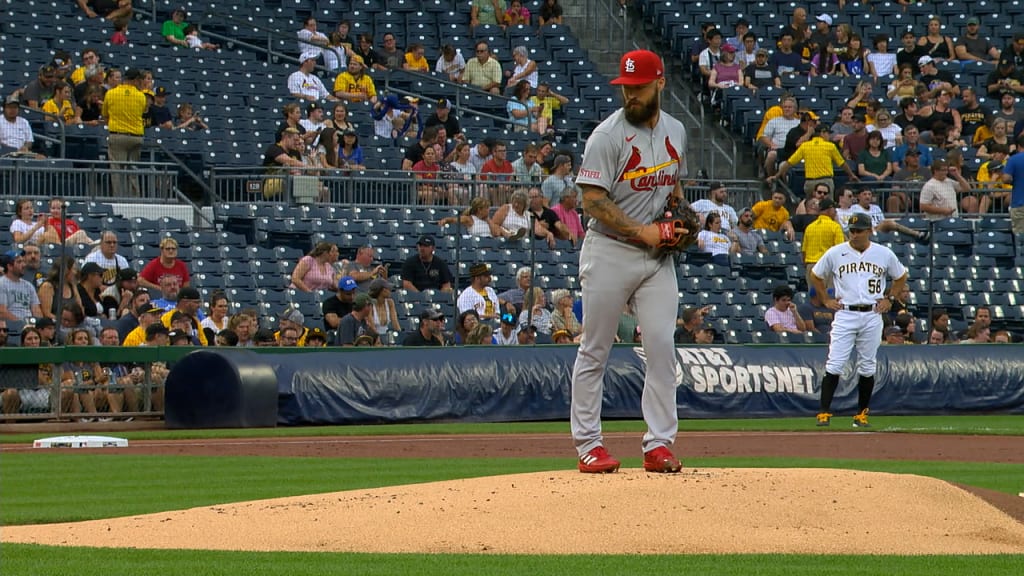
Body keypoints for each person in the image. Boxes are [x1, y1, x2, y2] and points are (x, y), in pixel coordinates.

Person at [571, 50, 688, 475]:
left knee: (660, 346)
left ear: (660, 83)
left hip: (657, 258)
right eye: (625, 87)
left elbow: (673, 189)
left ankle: (658, 444)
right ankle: (588, 444)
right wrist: (643, 231)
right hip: (609, 250)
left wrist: (682, 220)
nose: (630, 95)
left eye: (637, 87)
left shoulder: (676, 130)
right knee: (595, 348)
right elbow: (592, 201)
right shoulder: (607, 136)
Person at [810, 212, 907, 428]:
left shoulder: (883, 253)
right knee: (835, 362)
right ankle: (824, 412)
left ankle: (861, 414)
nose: (854, 234)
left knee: (867, 366)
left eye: (858, 230)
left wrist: (890, 299)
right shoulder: (836, 253)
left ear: (869, 230)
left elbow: (900, 276)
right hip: (845, 312)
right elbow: (816, 275)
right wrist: (825, 298)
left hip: (872, 313)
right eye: (851, 230)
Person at [800, 198, 845, 289]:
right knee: (829, 297)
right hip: (828, 267)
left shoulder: (810, 227)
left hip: (811, 266)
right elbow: (840, 250)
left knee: (814, 300)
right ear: (829, 209)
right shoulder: (835, 226)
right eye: (834, 209)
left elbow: (804, 251)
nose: (836, 212)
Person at [1000, 133, 1024, 233]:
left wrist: (1014, 180)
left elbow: (1006, 178)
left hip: (1020, 204)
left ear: (1018, 146)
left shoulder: (1013, 159)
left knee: (1021, 240)